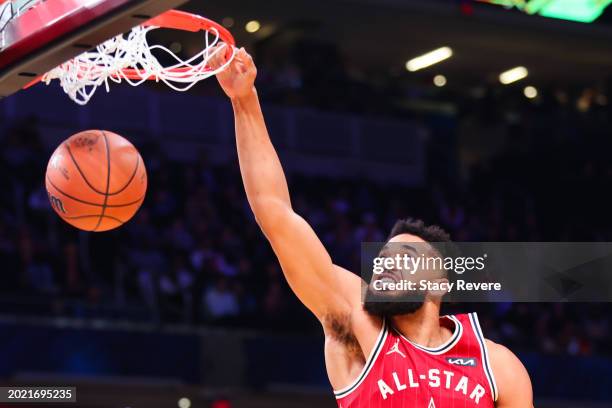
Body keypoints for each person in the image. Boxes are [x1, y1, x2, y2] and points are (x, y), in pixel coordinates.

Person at [210, 46, 533, 407]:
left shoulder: (496, 364)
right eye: (382, 257)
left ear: (440, 281)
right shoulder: (358, 324)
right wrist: (245, 101)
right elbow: (275, 213)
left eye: (406, 255)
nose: (385, 263)